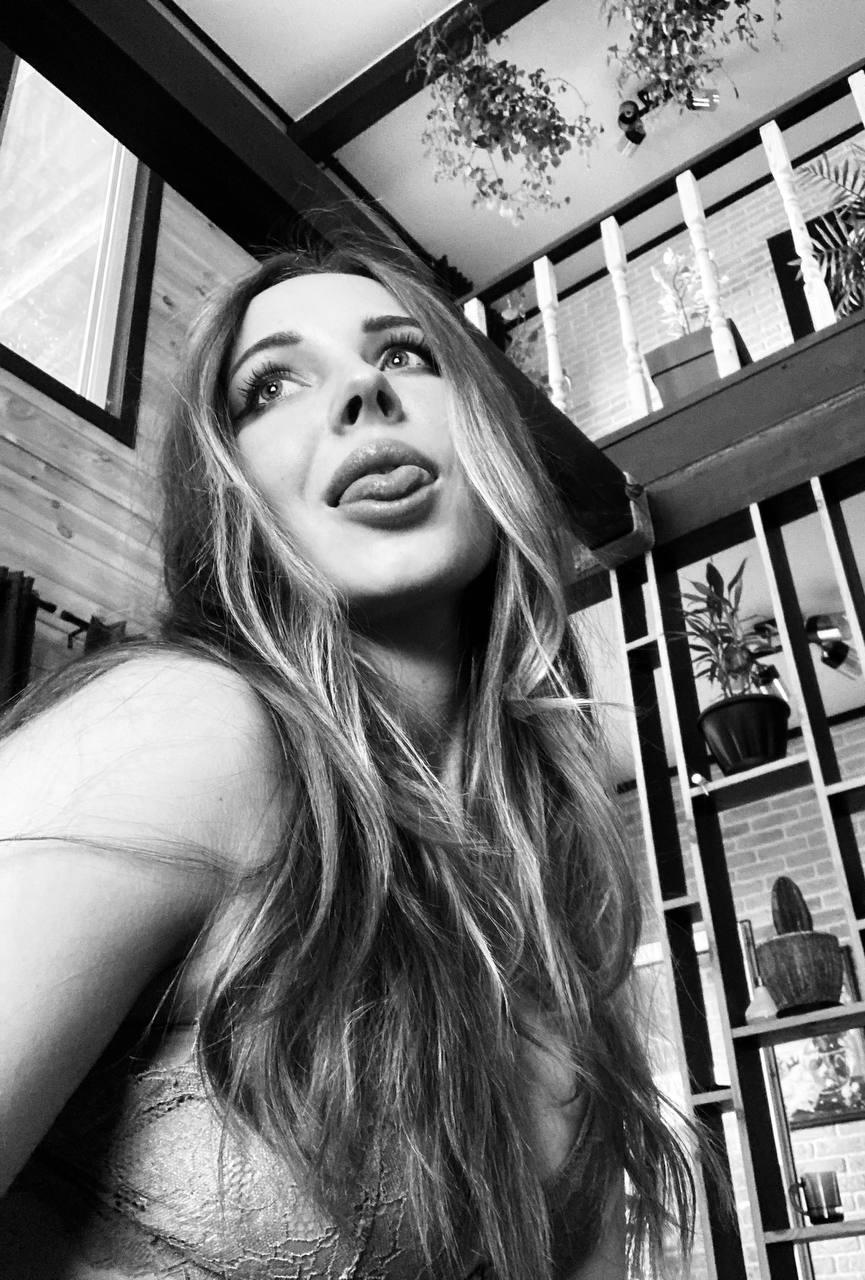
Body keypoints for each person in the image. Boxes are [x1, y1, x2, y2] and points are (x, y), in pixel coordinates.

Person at [0, 233, 695, 1279]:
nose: (363, 390)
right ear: (230, 493)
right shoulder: (195, 727)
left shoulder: (558, 926)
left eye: (405, 355)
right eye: (271, 385)